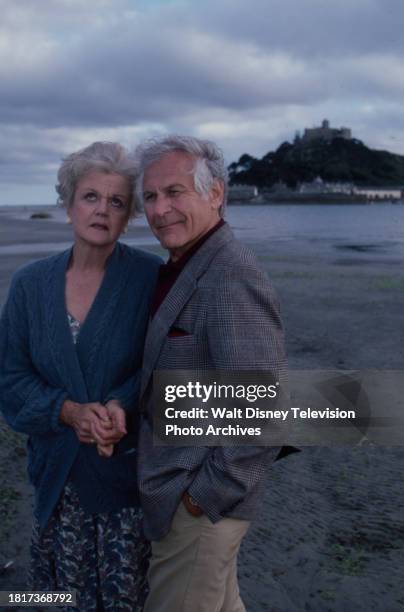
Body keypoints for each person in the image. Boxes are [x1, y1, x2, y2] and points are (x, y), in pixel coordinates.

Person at [0, 142, 161, 611]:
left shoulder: (150, 277)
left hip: (125, 482)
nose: (102, 210)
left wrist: (118, 405)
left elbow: (159, 369)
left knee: (125, 597)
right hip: (56, 480)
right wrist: (66, 411)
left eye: (116, 201)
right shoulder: (30, 284)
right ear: (68, 203)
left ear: (128, 213)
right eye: (90, 197)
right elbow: (10, 377)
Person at [134, 135, 287, 612]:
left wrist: (203, 498)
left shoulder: (229, 275)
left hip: (198, 503)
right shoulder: (187, 264)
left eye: (175, 192)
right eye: (151, 197)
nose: (160, 210)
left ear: (216, 193)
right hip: (190, 494)